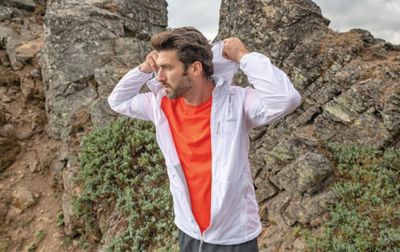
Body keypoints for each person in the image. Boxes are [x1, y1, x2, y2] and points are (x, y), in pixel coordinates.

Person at [108, 27, 301, 252]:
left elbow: (286, 99)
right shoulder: (158, 104)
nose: (159, 77)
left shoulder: (236, 102)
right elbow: (117, 101)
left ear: (195, 68)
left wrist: (244, 57)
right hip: (188, 231)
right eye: (158, 68)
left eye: (167, 68)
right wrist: (143, 69)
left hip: (234, 237)